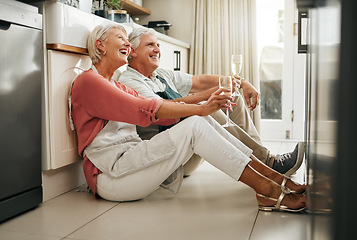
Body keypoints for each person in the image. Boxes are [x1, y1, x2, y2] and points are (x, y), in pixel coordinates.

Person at [69, 23, 306, 212]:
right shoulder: (89, 81)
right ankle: (269, 190)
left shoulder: (114, 84)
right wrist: (202, 106)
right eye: (120, 38)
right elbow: (146, 109)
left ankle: (274, 178)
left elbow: (158, 107)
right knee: (195, 122)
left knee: (198, 120)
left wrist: (205, 105)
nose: (127, 45)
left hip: (129, 162)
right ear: (100, 45)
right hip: (108, 175)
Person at [117, 28, 304, 177]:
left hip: (191, 146)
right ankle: (268, 164)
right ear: (132, 51)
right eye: (150, 45)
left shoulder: (162, 75)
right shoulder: (130, 80)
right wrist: (210, 98)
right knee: (204, 109)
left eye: (158, 44)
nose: (158, 49)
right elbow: (161, 109)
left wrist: (240, 83)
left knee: (234, 99)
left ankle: (265, 163)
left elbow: (201, 81)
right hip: (170, 158)